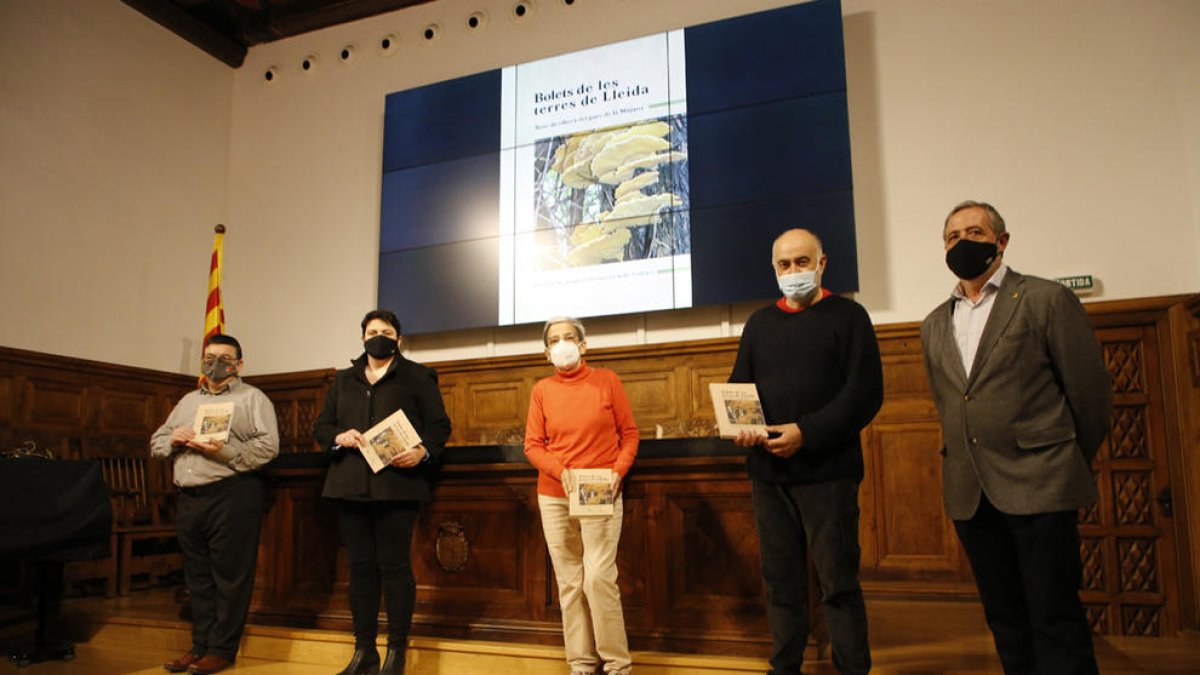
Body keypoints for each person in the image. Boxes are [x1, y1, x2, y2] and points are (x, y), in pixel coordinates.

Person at [921, 201, 1111, 674]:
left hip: (1041, 484)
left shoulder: (1046, 299)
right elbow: (950, 403)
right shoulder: (934, 323)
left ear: (1001, 242)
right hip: (971, 493)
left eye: (975, 232)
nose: (962, 243)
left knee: (1055, 616)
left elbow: (1090, 396)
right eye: (952, 237)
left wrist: (1063, 461)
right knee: (1005, 618)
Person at [729, 228, 882, 675]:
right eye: (784, 264)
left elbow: (864, 394)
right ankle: (785, 666)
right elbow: (740, 385)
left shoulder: (850, 317)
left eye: (802, 262)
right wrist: (741, 426)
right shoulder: (759, 323)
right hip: (768, 474)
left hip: (828, 473)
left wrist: (806, 433)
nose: (793, 271)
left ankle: (852, 668)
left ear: (822, 263)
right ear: (773, 269)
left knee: (838, 583)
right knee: (781, 582)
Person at [314, 309, 451, 675]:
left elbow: (439, 426)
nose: (379, 336)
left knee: (395, 566)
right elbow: (322, 426)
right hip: (349, 484)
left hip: (397, 485)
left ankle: (396, 653)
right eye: (372, 331)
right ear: (362, 338)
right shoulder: (344, 379)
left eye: (387, 332)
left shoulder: (418, 376)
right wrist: (338, 436)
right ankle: (364, 652)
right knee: (360, 569)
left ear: (398, 340)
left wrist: (422, 452)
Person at [150, 334, 279, 675]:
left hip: (231, 493)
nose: (216, 364)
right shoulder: (188, 400)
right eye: (209, 357)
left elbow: (268, 447)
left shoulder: (253, 398)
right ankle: (199, 646)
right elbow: (157, 441)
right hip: (190, 496)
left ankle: (222, 650)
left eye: (225, 358)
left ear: (239, 364)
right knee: (198, 577)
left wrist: (224, 451)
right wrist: (173, 439)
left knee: (230, 577)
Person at [524, 316, 639, 675]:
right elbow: (532, 445)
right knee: (570, 582)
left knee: (599, 577)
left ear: (583, 345)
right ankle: (581, 663)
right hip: (554, 494)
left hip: (600, 491)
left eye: (569, 337)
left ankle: (617, 664)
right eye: (554, 340)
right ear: (546, 353)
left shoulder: (607, 380)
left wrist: (618, 471)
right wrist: (560, 471)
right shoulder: (542, 390)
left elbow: (630, 434)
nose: (562, 344)